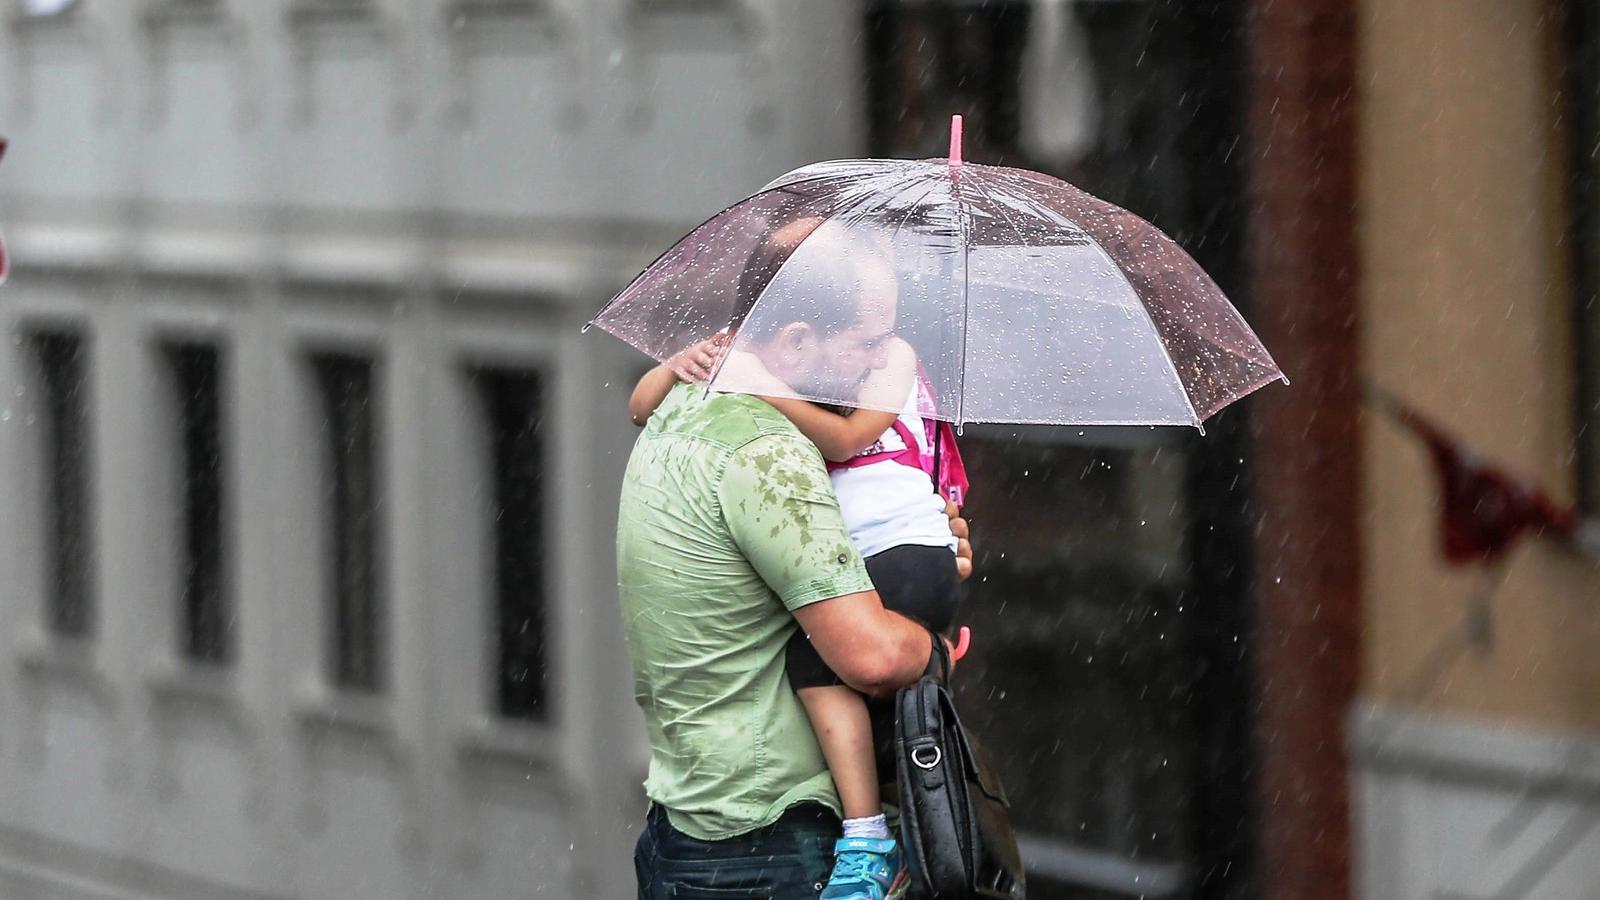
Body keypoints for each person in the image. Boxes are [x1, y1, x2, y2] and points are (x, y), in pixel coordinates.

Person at [619, 221, 971, 900]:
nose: (880, 362)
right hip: (772, 841)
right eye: (865, 344)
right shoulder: (768, 451)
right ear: (796, 341)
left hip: (693, 824)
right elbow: (870, 658)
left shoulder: (686, 410)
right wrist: (935, 657)